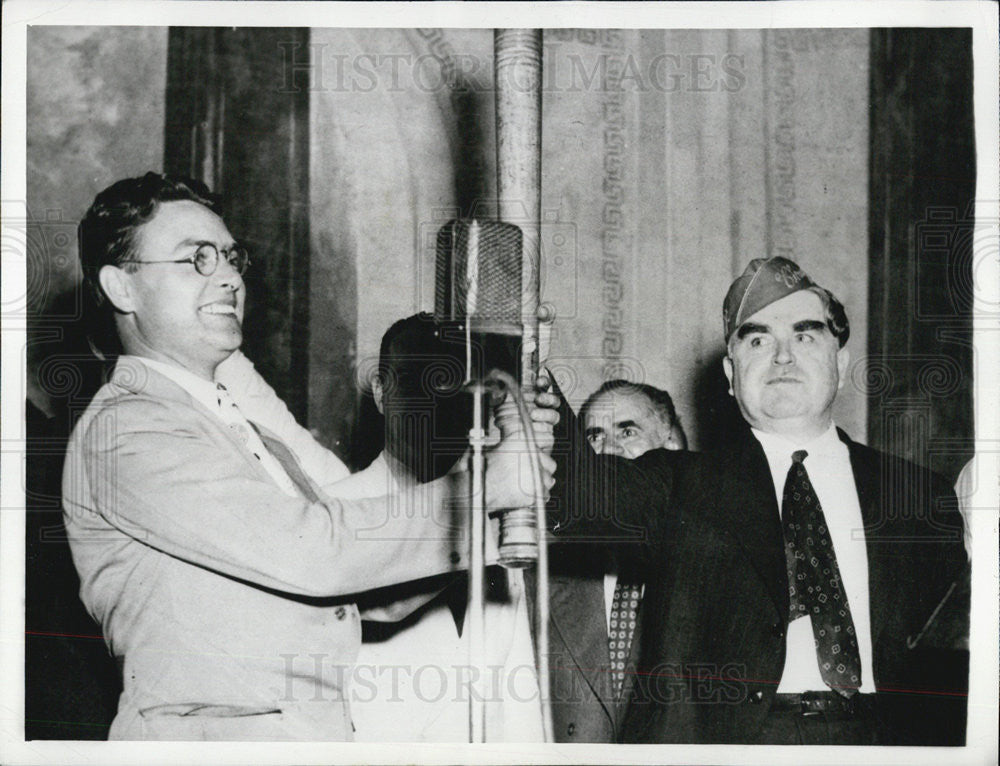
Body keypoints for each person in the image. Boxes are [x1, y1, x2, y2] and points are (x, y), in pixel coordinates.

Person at [61, 172, 553, 741]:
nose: (227, 277)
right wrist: (482, 490)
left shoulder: (244, 436)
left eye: (229, 256)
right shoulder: (128, 428)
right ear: (122, 288)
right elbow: (315, 552)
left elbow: (361, 596)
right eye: (195, 259)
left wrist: (487, 497)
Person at [564, 256, 969, 745]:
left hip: (884, 741)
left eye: (805, 335)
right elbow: (574, 489)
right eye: (758, 340)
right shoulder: (677, 483)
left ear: (840, 363)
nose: (782, 357)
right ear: (732, 375)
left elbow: (956, 659)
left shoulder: (919, 495)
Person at [325, 313, 543, 742]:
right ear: (381, 393)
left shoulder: (501, 518)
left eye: (449, 380)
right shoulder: (333, 511)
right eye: (415, 378)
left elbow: (520, 695)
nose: (435, 399)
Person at [545, 380, 687, 742]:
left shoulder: (710, 569)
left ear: (672, 443)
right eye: (593, 437)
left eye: (628, 430)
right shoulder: (546, 573)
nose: (607, 448)